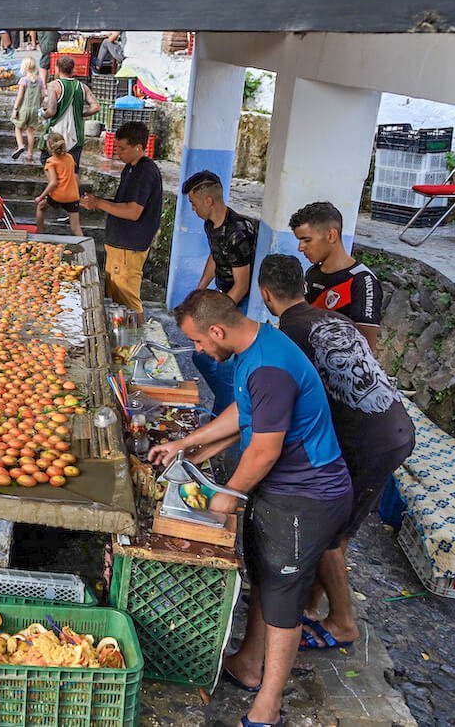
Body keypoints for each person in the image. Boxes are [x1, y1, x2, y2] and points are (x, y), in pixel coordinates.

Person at [151, 290, 351, 727]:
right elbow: (244, 411)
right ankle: (248, 664)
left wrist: (232, 492)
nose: (199, 351)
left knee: (283, 601)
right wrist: (187, 444)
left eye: (200, 343)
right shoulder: (253, 346)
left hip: (307, 496)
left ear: (217, 331)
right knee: (264, 575)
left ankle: (268, 708)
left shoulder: (269, 368)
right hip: (285, 489)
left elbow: (263, 450)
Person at [257, 254, 415, 652]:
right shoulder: (333, 320)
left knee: (329, 533)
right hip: (391, 423)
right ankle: (309, 604)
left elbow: (287, 405)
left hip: (372, 439)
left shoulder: (290, 334)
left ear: (265, 295)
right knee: (331, 526)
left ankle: (343, 622)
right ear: (304, 289)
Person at [182, 170, 260, 414]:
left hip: (242, 302)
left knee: (226, 369)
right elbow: (215, 257)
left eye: (194, 204)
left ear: (209, 201)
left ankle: (222, 422)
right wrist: (199, 291)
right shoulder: (211, 223)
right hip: (225, 295)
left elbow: (242, 285)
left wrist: (215, 315)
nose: (193, 210)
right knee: (200, 356)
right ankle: (228, 404)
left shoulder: (238, 232)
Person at [81, 121, 163, 318]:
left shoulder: (145, 172)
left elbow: (133, 211)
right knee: (115, 299)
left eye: (122, 148)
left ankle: (132, 345)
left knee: (127, 300)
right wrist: (97, 202)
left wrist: (99, 203)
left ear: (139, 147)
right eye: (117, 147)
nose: (118, 152)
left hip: (128, 247)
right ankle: (120, 343)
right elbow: (122, 203)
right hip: (119, 246)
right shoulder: (130, 168)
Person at [290, 201, 383, 353]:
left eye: (307, 240)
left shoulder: (363, 282)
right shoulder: (312, 273)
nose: (300, 248)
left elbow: (366, 349)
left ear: (331, 235)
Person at [43, 55, 100, 169]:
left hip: (57, 135)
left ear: (58, 69)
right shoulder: (82, 87)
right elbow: (96, 107)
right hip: (76, 135)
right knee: (73, 169)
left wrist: (43, 115)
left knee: (48, 163)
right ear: (73, 69)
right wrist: (82, 114)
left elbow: (52, 110)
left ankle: (57, 185)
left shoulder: (54, 86)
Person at [34, 132, 82, 237]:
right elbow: (75, 176)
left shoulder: (50, 161)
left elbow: (53, 183)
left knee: (41, 207)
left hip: (58, 195)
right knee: (76, 227)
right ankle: (87, 250)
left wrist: (40, 197)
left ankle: (40, 235)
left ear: (49, 146)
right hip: (73, 196)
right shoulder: (70, 157)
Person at [11, 56, 47, 161]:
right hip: (35, 110)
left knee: (18, 128)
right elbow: (43, 95)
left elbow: (20, 96)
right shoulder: (40, 81)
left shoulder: (24, 80)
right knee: (30, 132)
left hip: (24, 109)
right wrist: (39, 105)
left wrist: (15, 109)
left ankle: (21, 145)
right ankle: (30, 154)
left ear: (25, 68)